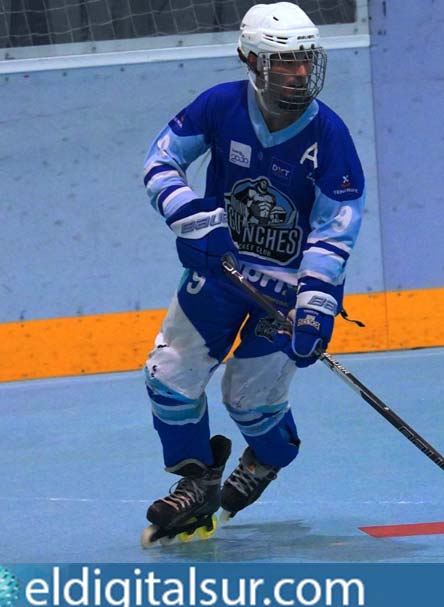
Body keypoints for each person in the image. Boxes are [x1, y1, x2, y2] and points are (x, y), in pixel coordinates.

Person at [138, 1, 365, 547]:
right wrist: (195, 220)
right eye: (283, 62)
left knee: (248, 398)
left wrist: (315, 307)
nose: (300, 73)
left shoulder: (330, 137)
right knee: (167, 374)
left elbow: (335, 230)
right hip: (222, 270)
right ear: (249, 58)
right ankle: (198, 478)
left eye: (306, 60)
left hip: (287, 293)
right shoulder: (219, 106)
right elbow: (159, 162)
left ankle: (269, 456)